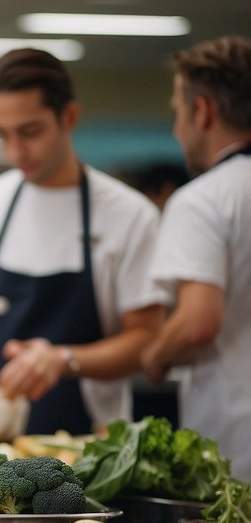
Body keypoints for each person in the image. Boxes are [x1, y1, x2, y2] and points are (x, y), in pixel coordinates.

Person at [0, 49, 167, 435]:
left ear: (70, 117)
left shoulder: (128, 215)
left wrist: (63, 359)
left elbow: (146, 339)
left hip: (89, 442)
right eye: (3, 134)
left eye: (30, 132)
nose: (15, 151)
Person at [142, 36, 251, 479]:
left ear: (202, 111)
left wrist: (155, 354)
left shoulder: (204, 199)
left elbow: (198, 321)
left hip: (237, 443)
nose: (175, 128)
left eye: (176, 111)